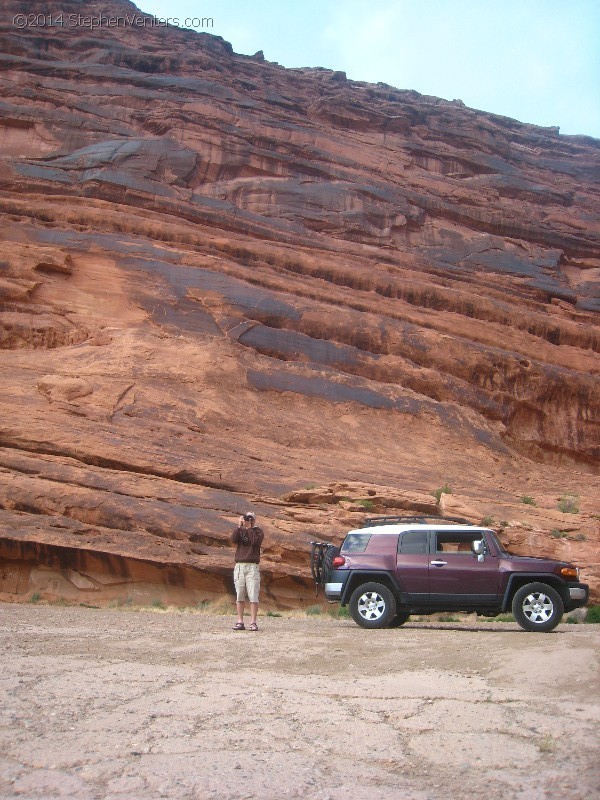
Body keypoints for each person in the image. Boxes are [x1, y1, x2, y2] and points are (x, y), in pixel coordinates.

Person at [231, 512, 264, 631]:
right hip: (240, 566)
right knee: (240, 595)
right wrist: (239, 526)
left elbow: (255, 542)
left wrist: (250, 528)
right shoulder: (241, 530)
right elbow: (233, 539)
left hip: (252, 567)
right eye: (247, 518)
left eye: (251, 518)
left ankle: (253, 622)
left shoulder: (258, 532)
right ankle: (240, 621)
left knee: (253, 595)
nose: (248, 520)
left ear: (254, 520)